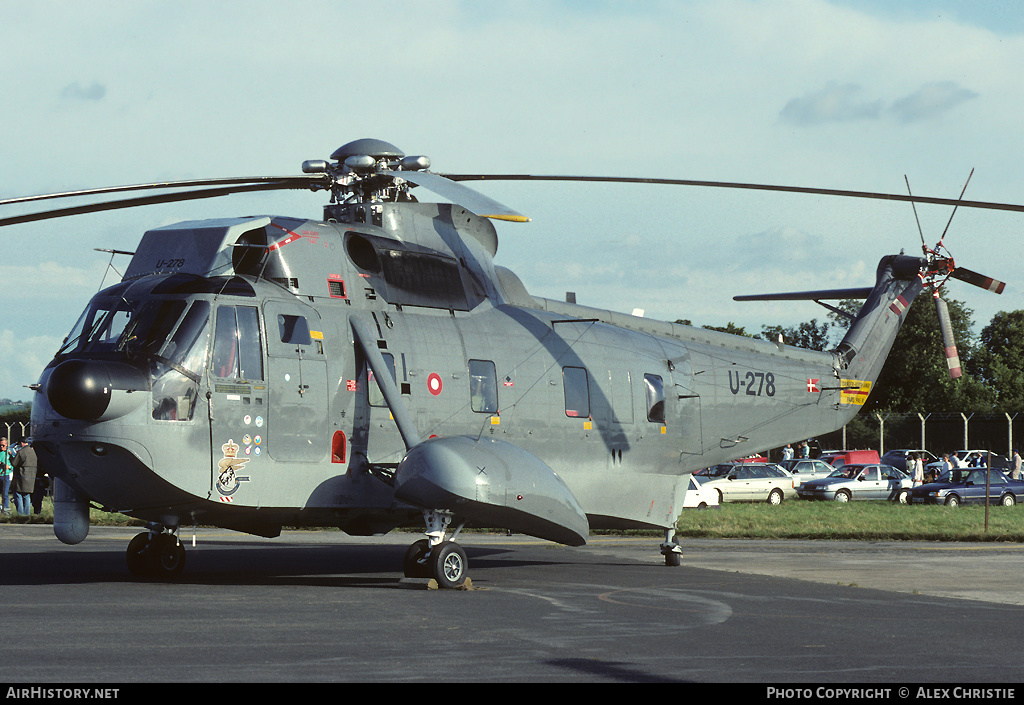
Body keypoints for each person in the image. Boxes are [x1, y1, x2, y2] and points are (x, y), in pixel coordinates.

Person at [11, 439, 37, 516]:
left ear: (22, 443)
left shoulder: (21, 452)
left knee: (18, 494)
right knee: (27, 495)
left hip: (21, 476)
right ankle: (27, 514)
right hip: (31, 476)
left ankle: (20, 514)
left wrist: (10, 456)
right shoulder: (33, 451)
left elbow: (14, 463)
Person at [0, 437, 11, 514]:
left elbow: (14, 463)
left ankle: (6, 508)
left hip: (5, 475)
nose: (1, 447)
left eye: (3, 445)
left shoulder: (9, 453)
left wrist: (9, 467)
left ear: (6, 445)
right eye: (0, 445)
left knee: (5, 493)